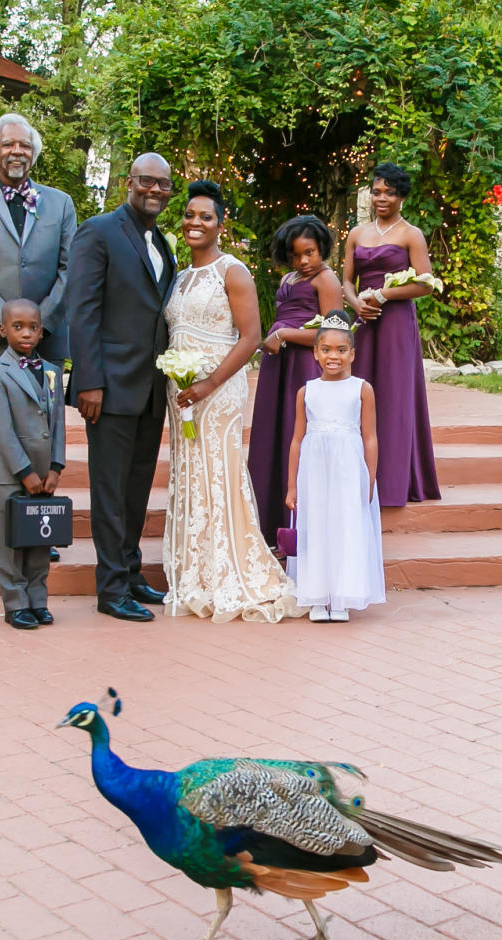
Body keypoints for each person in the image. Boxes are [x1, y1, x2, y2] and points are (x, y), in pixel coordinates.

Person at [163, 181, 299, 623]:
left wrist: (208, 383)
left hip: (218, 390)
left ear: (221, 224)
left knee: (219, 473)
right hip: (181, 391)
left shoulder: (232, 270)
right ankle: (194, 574)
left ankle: (230, 571)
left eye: (205, 216)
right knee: (190, 474)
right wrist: (183, 377)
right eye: (189, 215)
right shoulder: (180, 276)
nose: (195, 223)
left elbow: (251, 337)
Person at [0, 113, 77, 564]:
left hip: (47, 342)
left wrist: (37, 324)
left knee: (43, 436)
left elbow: (69, 268)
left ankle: (41, 523)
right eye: (8, 145)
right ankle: (2, 530)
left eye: (24, 145)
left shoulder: (61, 204)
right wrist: (9, 327)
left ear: (34, 152)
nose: (16, 152)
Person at [66, 152, 176, 623]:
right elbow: (82, 309)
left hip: (151, 389)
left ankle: (130, 573)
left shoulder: (162, 244)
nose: (154, 190)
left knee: (135, 490)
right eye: (146, 181)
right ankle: (110, 589)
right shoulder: (98, 231)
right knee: (109, 491)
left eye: (163, 185)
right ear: (129, 182)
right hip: (108, 388)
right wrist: (88, 380)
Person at [341, 162, 440, 507]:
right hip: (364, 321)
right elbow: (346, 280)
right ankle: (357, 475)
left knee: (394, 395)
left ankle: (395, 480)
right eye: (377, 191)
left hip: (396, 321)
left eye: (390, 193)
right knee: (359, 392)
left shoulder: (411, 234)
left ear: (401, 197)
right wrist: (355, 302)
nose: (382, 198)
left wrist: (383, 295)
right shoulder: (357, 233)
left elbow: (425, 284)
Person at [248, 215, 343, 545]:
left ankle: (301, 531)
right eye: (296, 254)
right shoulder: (290, 277)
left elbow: (334, 332)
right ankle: (269, 524)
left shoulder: (327, 280)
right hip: (278, 364)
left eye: (310, 253)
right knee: (272, 436)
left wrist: (286, 333)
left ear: (323, 250)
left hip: (302, 365)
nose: (303, 261)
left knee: (295, 432)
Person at [286, 310, 385, 623]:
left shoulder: (362, 389)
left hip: (348, 470)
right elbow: (297, 440)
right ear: (315, 352)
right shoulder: (307, 392)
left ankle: (342, 594)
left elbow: (369, 437)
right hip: (313, 471)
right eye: (326, 349)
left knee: (345, 525)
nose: (333, 356)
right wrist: (291, 485)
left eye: (341, 350)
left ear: (352, 354)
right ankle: (316, 595)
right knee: (315, 526)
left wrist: (370, 477)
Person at [0, 299, 65, 630]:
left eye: (33, 327)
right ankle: (15, 603)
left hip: (45, 474)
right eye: (17, 327)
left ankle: (38, 600)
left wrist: (56, 467)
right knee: (12, 541)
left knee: (41, 538)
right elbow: (0, 430)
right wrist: (24, 472)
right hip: (11, 474)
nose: (26, 333)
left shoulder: (53, 373)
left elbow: (57, 425)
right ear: (3, 330)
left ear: (42, 332)